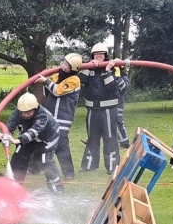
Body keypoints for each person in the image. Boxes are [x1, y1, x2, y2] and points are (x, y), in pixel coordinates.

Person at [0, 92, 64, 193]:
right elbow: (9, 127)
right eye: (23, 112)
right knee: (19, 157)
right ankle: (15, 189)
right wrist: (3, 135)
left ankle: (57, 190)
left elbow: (34, 132)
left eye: (29, 112)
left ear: (35, 109)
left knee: (45, 160)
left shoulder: (42, 114)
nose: (25, 114)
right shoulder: (17, 114)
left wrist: (17, 141)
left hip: (48, 138)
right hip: (28, 137)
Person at [79, 43, 128, 174]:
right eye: (96, 54)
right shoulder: (89, 67)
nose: (98, 56)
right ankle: (89, 166)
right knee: (92, 138)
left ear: (106, 55)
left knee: (110, 138)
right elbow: (81, 79)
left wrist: (107, 70)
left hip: (108, 110)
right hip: (92, 110)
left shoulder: (114, 68)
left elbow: (112, 88)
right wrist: (88, 66)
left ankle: (112, 167)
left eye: (101, 54)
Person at [35, 53, 83, 180]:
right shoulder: (58, 76)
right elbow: (48, 91)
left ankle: (69, 173)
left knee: (61, 145)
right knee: (40, 140)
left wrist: (45, 81)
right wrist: (46, 79)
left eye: (67, 65)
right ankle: (34, 168)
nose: (63, 66)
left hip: (63, 118)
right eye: (64, 62)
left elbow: (57, 91)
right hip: (50, 116)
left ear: (73, 68)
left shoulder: (74, 80)